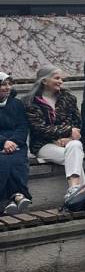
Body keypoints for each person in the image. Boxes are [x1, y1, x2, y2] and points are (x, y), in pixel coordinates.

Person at [24, 65, 85, 208]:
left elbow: (77, 123)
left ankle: (74, 189)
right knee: (76, 155)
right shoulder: (30, 102)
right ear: (44, 81)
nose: (61, 81)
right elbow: (40, 129)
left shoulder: (68, 98)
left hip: (68, 144)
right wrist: (67, 131)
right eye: (57, 78)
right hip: (43, 145)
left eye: (61, 78)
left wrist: (68, 138)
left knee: (76, 146)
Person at [0, 72, 31, 215]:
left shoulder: (17, 104)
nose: (7, 87)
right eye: (3, 84)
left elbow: (23, 126)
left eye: (9, 84)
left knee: (18, 162)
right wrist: (3, 142)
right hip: (1, 145)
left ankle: (13, 198)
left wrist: (13, 142)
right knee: (4, 163)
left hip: (16, 145)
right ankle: (14, 197)